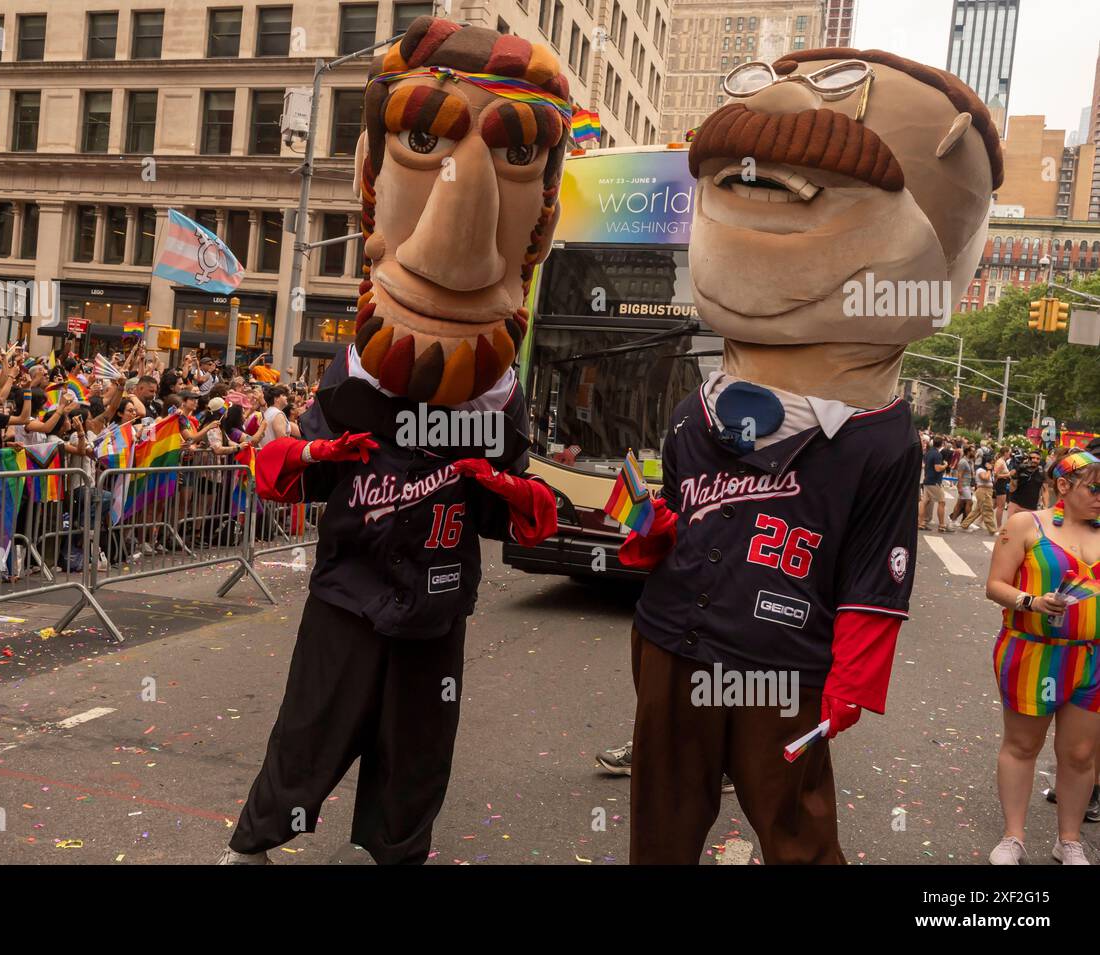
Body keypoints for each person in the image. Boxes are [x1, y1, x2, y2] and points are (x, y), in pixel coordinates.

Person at [621, 45, 1000, 864]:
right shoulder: (696, 411)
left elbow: (878, 565)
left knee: (797, 828)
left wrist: (853, 679)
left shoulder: (881, 436)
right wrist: (651, 535)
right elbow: (677, 510)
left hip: (781, 659)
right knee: (661, 821)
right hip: (674, 638)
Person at [218, 15, 563, 866]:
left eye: (516, 156)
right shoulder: (355, 375)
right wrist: (308, 458)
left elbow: (510, 508)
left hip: (439, 598)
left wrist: (519, 497)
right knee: (312, 723)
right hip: (353, 586)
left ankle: (397, 851)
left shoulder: (499, 391)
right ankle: (257, 842)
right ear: (373, 176)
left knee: (417, 752)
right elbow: (289, 469)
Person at [985, 449, 1100, 865]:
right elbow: (995, 585)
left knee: (1082, 754)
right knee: (1022, 744)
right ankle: (1013, 837)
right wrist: (1032, 601)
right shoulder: (1025, 525)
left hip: (1091, 658)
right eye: (1095, 487)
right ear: (1065, 487)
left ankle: (1068, 840)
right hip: (1033, 651)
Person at [962, 450, 998, 535]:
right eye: (991, 462)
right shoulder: (981, 470)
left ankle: (965, 524)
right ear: (986, 462)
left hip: (988, 491)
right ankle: (992, 530)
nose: (992, 464)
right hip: (983, 491)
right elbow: (985, 478)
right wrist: (989, 470)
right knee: (988, 510)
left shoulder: (988, 470)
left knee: (977, 510)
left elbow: (992, 481)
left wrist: (993, 473)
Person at [919, 435, 949, 531]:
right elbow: (937, 468)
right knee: (942, 502)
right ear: (942, 444)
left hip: (927, 479)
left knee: (924, 502)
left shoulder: (928, 453)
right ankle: (942, 525)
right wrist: (945, 465)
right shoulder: (937, 454)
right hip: (934, 481)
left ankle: (921, 523)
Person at [1007, 449, 1046, 518]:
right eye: (1033, 458)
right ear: (1028, 459)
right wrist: (1015, 476)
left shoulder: (1042, 473)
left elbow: (1045, 491)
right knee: (1011, 528)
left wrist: (1045, 507)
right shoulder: (1020, 469)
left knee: (1027, 529)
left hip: (1031, 509)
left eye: (1038, 459)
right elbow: (1011, 489)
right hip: (1015, 505)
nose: (1035, 460)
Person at [994, 446, 1013, 528]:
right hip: (1000, 484)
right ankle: (999, 526)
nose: (1010, 454)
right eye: (1009, 452)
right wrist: (1008, 474)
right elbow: (995, 474)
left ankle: (980, 521)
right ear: (1005, 453)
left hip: (1002, 483)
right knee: (1000, 507)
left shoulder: (1003, 461)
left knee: (993, 505)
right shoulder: (1000, 462)